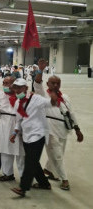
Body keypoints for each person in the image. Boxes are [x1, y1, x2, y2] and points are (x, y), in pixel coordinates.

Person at [33, 59, 83, 191]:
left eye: (57, 83)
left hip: (64, 129)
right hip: (49, 129)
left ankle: (49, 170)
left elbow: (71, 113)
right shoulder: (43, 95)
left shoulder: (65, 97)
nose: (55, 85)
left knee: (59, 153)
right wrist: (40, 70)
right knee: (58, 155)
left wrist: (77, 129)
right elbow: (37, 84)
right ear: (48, 84)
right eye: (52, 83)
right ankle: (64, 180)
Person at [10, 78, 56, 197]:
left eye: (20, 87)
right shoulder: (17, 103)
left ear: (26, 88)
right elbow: (19, 121)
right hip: (26, 135)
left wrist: (54, 94)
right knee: (34, 161)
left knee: (30, 161)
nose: (18, 90)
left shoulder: (36, 99)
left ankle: (23, 188)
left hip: (38, 134)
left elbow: (50, 103)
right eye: (16, 87)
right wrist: (14, 134)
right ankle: (44, 183)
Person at [0, 76, 24, 182]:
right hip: (4, 123)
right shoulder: (0, 95)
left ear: (14, 84)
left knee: (20, 152)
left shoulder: (21, 96)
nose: (5, 85)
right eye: (4, 83)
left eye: (8, 83)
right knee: (5, 150)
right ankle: (8, 173)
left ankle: (24, 176)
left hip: (18, 123)